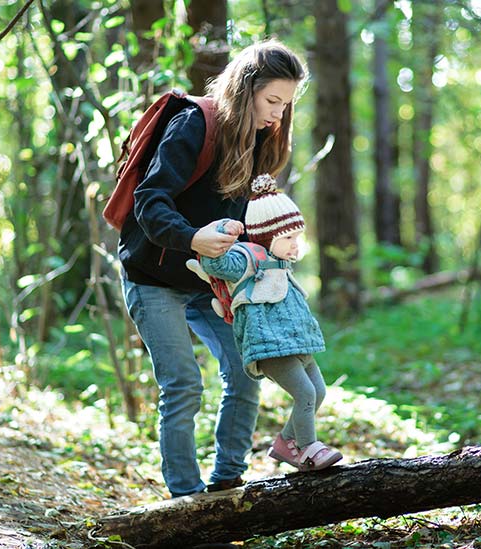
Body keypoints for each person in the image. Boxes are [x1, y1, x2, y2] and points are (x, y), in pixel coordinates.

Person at [118, 40, 308, 497]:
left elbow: (254, 220)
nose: (278, 116)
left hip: (215, 281)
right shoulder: (193, 124)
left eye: (287, 106)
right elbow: (150, 199)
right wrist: (191, 236)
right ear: (246, 91)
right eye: (272, 102)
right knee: (183, 385)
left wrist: (279, 245)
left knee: (246, 373)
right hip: (155, 275)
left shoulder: (261, 140)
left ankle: (226, 486)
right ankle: (187, 499)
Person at [194, 174, 343, 472]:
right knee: (305, 394)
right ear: (266, 235)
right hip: (270, 346)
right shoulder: (248, 259)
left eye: (297, 237)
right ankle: (307, 448)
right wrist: (225, 230)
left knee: (319, 392)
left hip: (296, 342)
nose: (294, 245)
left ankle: (284, 443)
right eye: (288, 238)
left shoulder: (281, 265)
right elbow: (214, 263)